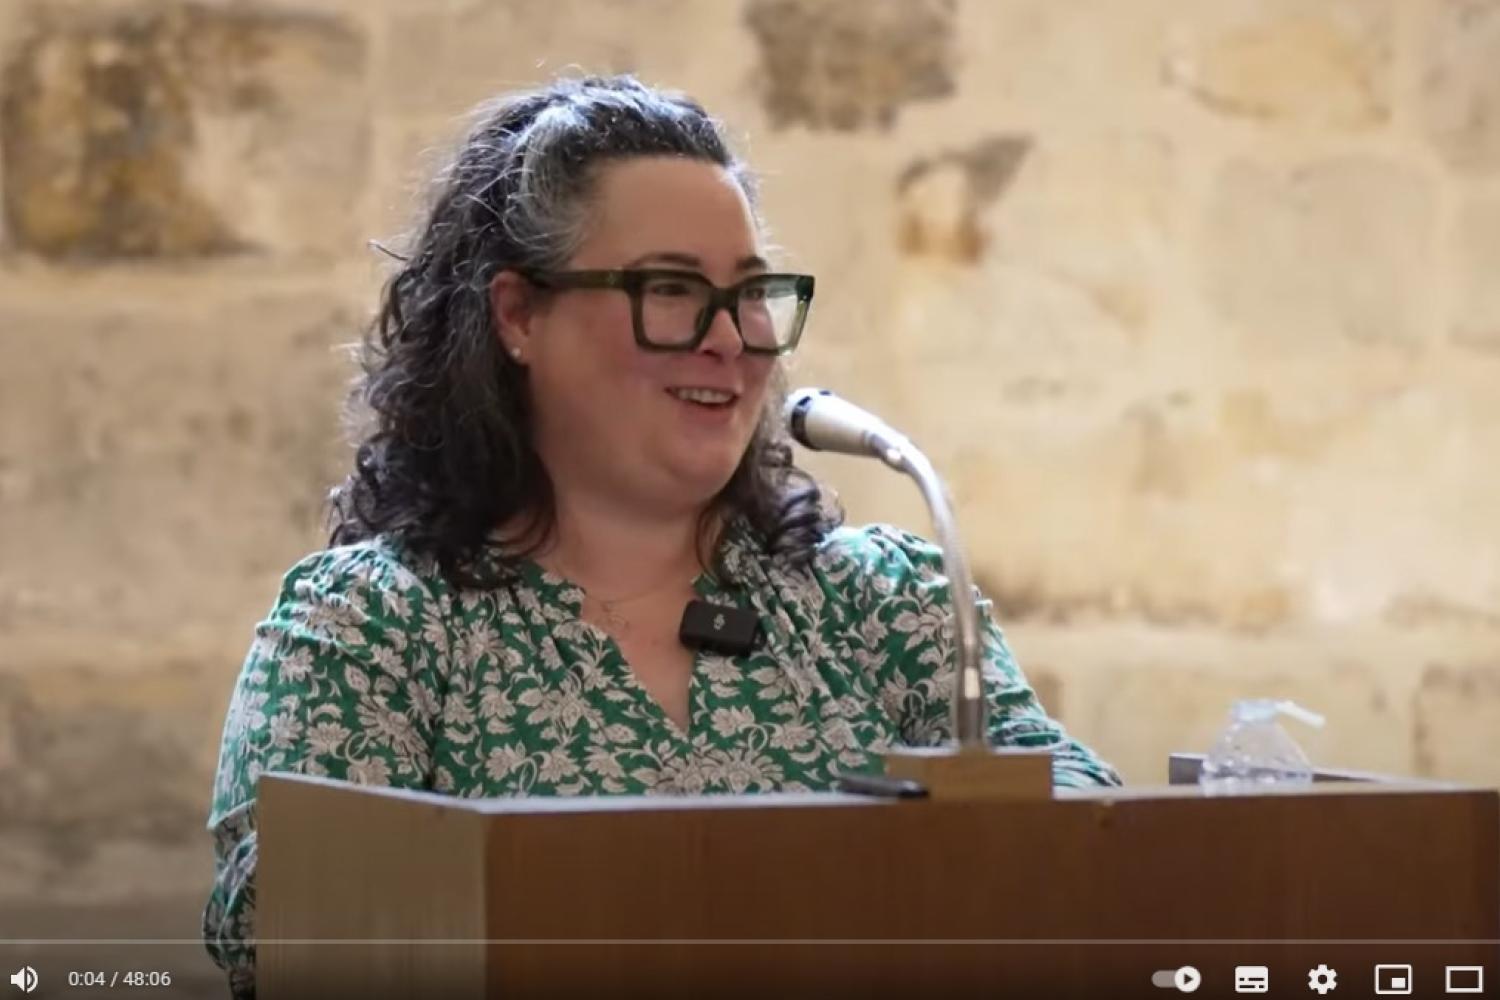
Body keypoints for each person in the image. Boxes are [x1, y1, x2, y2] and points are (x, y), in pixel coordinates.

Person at [202, 73, 1120, 997]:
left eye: (750, 292)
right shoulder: (375, 627)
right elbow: (286, 933)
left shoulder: (886, 607)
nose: (731, 339)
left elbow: (1103, 850)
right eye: (671, 288)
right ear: (519, 315)